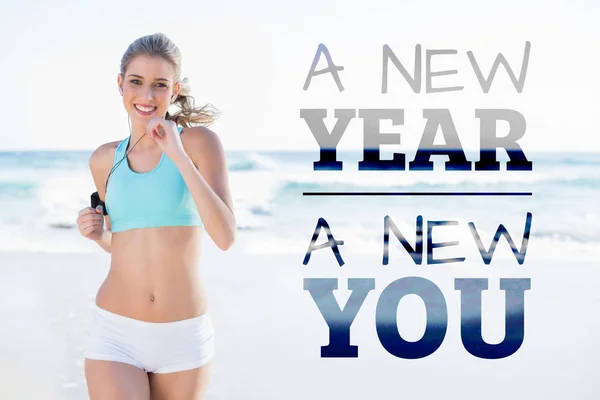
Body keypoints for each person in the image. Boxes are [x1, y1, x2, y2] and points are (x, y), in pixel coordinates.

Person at [75, 32, 236, 400]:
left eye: (159, 85)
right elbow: (123, 244)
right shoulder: (103, 160)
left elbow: (225, 236)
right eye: (136, 82)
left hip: (183, 336)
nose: (146, 96)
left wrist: (177, 154)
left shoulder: (199, 144)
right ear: (120, 84)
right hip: (115, 334)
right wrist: (99, 235)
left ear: (174, 90)